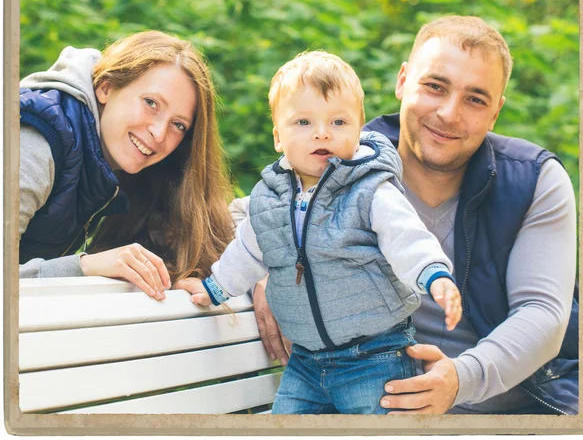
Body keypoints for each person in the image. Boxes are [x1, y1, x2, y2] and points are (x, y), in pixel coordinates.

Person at [211, 16, 578, 415]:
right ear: (403, 81)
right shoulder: (338, 158)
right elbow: (245, 214)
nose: (449, 113)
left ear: (495, 113)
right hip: (368, 399)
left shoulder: (533, 180)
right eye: (435, 86)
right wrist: (274, 269)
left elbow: (542, 315)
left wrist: (459, 379)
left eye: (476, 99)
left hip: (509, 413)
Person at [182, 51, 464, 415]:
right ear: (278, 137)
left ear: (359, 132)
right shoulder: (269, 201)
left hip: (375, 356)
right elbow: (248, 252)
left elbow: (405, 237)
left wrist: (434, 274)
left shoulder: (370, 191)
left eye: (338, 122)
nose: (321, 132)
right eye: (302, 122)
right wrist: (214, 289)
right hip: (305, 363)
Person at [19, 31, 234, 299]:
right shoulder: (33, 143)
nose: (159, 133)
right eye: (151, 103)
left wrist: (255, 279)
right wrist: (85, 266)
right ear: (106, 87)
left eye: (178, 125)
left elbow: (216, 230)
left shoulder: (117, 168)